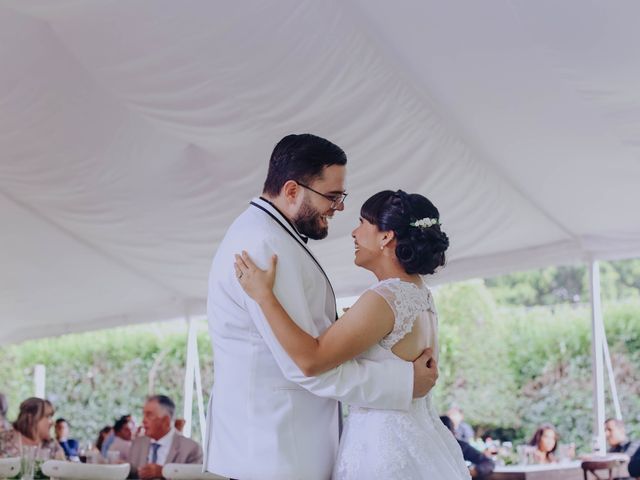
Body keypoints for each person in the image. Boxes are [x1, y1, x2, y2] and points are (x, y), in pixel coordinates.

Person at [205, 134, 439, 480]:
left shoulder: (270, 234)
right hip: (276, 450)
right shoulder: (264, 245)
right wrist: (403, 383)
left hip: (287, 446)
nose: (340, 208)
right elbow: (305, 363)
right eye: (332, 196)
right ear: (292, 190)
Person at [235, 188, 469, 479]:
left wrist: (264, 297)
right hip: (420, 440)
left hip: (382, 449)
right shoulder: (419, 292)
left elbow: (312, 359)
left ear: (387, 237)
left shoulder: (385, 297)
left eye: (362, 223)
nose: (354, 233)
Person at [129, 395, 202, 479]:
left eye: (149, 415)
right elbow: (131, 474)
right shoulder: (138, 443)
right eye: (144, 415)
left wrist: (164, 473)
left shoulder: (191, 449)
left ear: (165, 421)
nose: (143, 420)